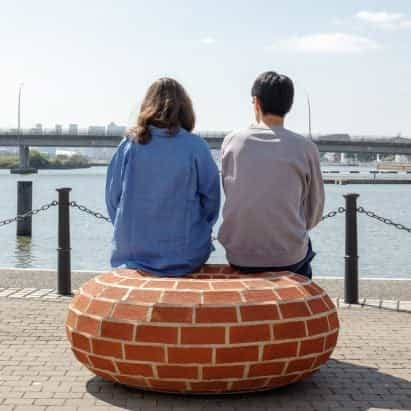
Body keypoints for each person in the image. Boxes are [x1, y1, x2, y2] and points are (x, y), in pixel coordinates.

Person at [105, 78, 220, 276]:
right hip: (186, 256)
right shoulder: (196, 147)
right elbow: (211, 203)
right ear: (185, 109)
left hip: (133, 256)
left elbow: (112, 200)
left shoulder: (129, 146)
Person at [218, 71, 324, 278]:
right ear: (289, 106)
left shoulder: (232, 142)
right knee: (304, 259)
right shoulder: (305, 147)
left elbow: (230, 192)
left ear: (256, 102)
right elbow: (315, 210)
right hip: (288, 257)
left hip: (239, 254)